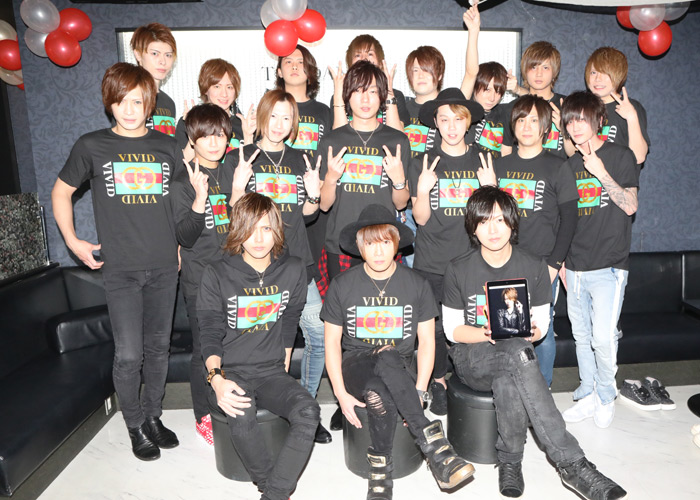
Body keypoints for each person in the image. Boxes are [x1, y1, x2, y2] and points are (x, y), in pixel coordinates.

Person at [442, 186, 627, 500]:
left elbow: (541, 324)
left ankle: (510, 462)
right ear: (473, 228)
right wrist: (487, 333)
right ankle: (572, 464)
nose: (493, 229)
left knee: (511, 371)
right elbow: (452, 330)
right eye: (484, 221)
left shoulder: (532, 265)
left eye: (500, 220)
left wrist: (532, 331)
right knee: (519, 353)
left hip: (515, 353)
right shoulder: (458, 268)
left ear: (512, 223)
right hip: (473, 356)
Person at [52, 62, 182, 460]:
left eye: (137, 101)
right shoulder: (92, 145)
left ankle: (154, 416)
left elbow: (178, 205)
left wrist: (179, 247)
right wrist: (73, 241)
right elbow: (61, 192)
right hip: (121, 269)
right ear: (109, 103)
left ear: (149, 104)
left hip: (164, 266)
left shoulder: (167, 147)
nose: (129, 109)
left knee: (159, 348)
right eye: (121, 101)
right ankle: (135, 424)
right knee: (129, 354)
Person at [322, 204, 475, 500]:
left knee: (379, 389)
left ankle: (380, 473)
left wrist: (419, 390)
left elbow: (427, 342)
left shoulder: (416, 284)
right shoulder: (342, 284)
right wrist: (340, 394)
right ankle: (436, 448)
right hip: (356, 364)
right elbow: (331, 343)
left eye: (385, 242)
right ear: (359, 246)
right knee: (386, 355)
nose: (378, 251)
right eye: (370, 244)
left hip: (399, 368)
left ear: (396, 243)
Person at [198, 193, 319, 500]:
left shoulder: (293, 269)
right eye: (250, 229)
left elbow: (290, 319)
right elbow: (209, 332)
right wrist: (217, 379)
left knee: (308, 411)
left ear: (277, 230)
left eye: (266, 228)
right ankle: (273, 489)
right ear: (237, 230)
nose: (259, 238)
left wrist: (284, 363)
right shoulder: (217, 273)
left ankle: (273, 494)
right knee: (242, 414)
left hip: (271, 371)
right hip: (231, 371)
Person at [229, 88, 331, 444]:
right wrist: (238, 186)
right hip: (257, 266)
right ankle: (273, 405)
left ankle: (304, 405)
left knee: (318, 334)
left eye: (287, 118)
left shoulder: (302, 158)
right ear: (261, 116)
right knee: (264, 339)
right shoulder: (242, 157)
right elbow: (234, 214)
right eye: (273, 116)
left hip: (298, 261)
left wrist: (313, 192)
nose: (279, 124)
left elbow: (309, 214)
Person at [172, 103, 256, 444]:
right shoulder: (183, 180)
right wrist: (199, 200)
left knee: (232, 345)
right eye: (206, 136)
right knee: (203, 349)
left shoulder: (231, 171)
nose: (214, 142)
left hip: (232, 275)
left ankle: (228, 404)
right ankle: (203, 414)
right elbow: (185, 237)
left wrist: (237, 194)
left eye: (220, 135)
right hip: (200, 279)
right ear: (193, 138)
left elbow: (241, 230)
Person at [559, 91, 639, 429]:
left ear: (598, 120)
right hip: (575, 267)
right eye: (570, 121)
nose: (576, 127)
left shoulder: (621, 156)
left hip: (609, 265)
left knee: (602, 338)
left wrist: (601, 172)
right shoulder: (568, 166)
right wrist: (562, 264)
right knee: (581, 337)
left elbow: (630, 206)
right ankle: (589, 392)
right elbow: (565, 221)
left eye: (582, 119)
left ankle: (606, 394)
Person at [408, 87, 485, 414]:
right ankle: (438, 381)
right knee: (435, 328)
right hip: (433, 260)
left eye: (458, 119)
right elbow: (421, 219)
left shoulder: (483, 158)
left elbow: (493, 218)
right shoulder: (422, 162)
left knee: (472, 322)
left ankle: (467, 376)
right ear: (435, 123)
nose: (451, 127)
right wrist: (423, 190)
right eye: (444, 119)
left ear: (468, 122)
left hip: (473, 260)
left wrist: (490, 188)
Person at [493, 94, 579, 386]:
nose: (526, 126)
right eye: (521, 120)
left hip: (542, 263)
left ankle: (542, 390)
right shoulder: (499, 167)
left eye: (533, 120)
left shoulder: (558, 166)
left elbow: (570, 219)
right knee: (504, 328)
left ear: (545, 127)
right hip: (502, 261)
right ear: (512, 126)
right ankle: (510, 388)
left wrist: (554, 264)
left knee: (541, 330)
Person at [319, 60, 411, 281]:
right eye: (358, 91)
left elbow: (401, 204)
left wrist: (398, 180)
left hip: (383, 242)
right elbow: (324, 205)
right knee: (342, 302)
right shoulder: (332, 140)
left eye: (372, 91)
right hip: (340, 242)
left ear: (382, 96)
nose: (365, 99)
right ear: (347, 95)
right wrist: (331, 178)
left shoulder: (397, 140)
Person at [174, 58, 255, 162]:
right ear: (205, 89)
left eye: (229, 87)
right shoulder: (186, 122)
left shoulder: (244, 125)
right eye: (217, 86)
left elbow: (253, 165)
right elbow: (181, 165)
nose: (224, 94)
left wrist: (248, 136)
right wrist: (194, 127)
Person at [460, 3, 513, 160]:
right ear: (476, 86)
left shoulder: (504, 113)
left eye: (498, 91)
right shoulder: (464, 107)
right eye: (487, 89)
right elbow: (471, 72)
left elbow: (506, 154)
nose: (492, 97)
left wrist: (518, 89)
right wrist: (474, 31)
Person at [504, 41, 574, 158]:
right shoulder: (512, 108)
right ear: (525, 71)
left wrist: (564, 130)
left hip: (560, 169)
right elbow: (506, 155)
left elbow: (575, 156)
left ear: (554, 72)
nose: (539, 74)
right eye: (533, 67)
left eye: (545, 67)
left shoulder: (567, 105)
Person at [329, 34, 410, 131]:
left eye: (370, 54)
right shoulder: (339, 96)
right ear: (350, 64)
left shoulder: (395, 95)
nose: (364, 58)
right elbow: (338, 136)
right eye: (358, 55)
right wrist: (338, 96)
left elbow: (398, 137)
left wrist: (388, 93)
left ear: (380, 62)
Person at [584, 47, 649, 164]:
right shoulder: (583, 108)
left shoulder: (631, 107)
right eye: (593, 72)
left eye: (605, 73)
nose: (598, 79)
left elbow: (639, 157)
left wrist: (632, 118)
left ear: (618, 75)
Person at [131, 23, 177, 137]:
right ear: (138, 54)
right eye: (155, 53)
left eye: (168, 55)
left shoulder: (169, 102)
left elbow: (169, 145)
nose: (163, 61)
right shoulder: (129, 96)